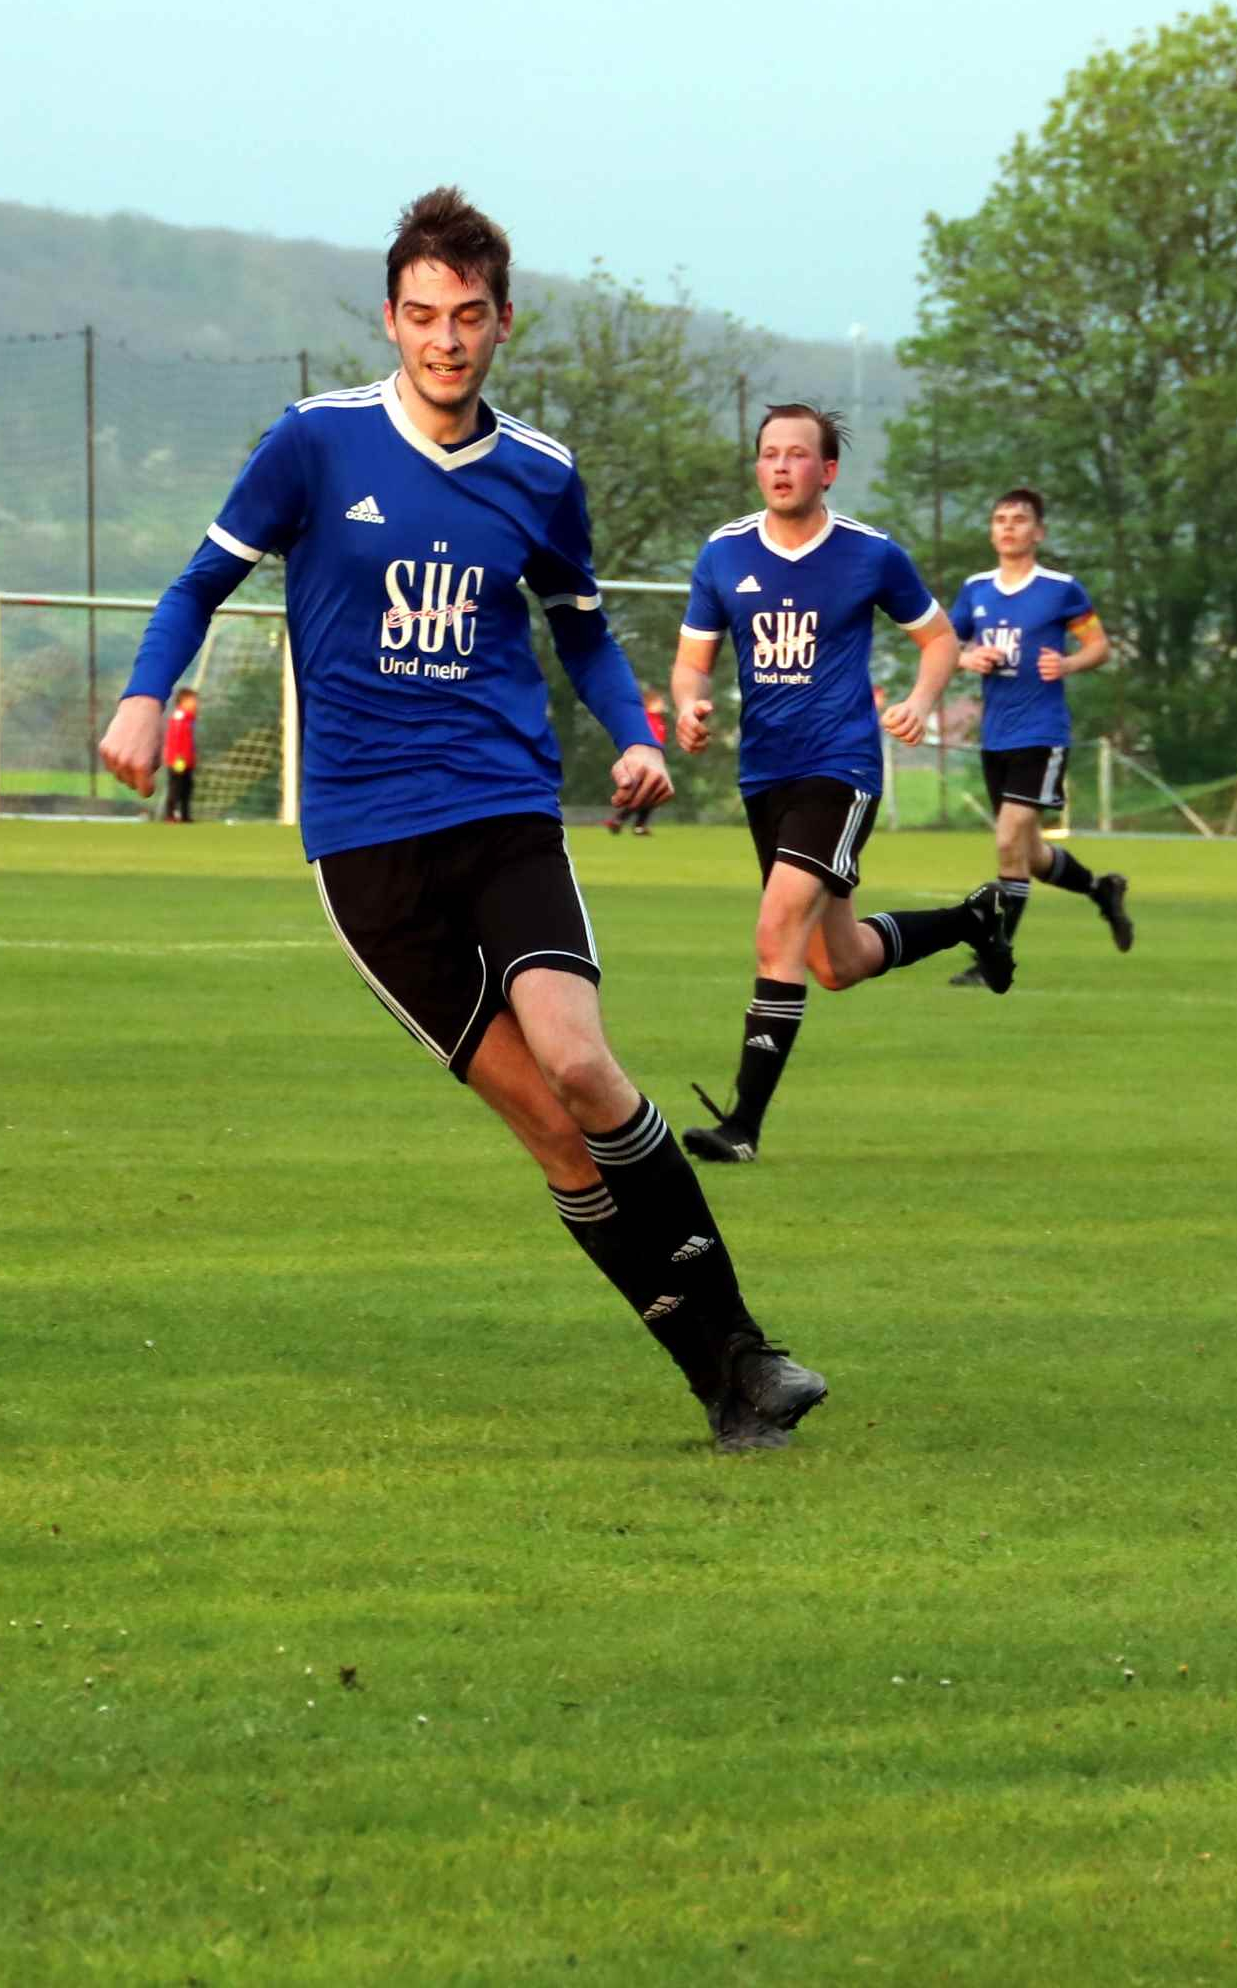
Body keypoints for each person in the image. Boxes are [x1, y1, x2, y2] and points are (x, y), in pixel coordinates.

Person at [96, 187, 823, 1454]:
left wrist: (636, 734)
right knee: (545, 1123)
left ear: (502, 323)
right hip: (363, 842)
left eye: (468, 316)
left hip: (500, 810)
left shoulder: (540, 473)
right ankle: (719, 1379)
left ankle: (751, 1351)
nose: (445, 339)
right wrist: (143, 694)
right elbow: (198, 582)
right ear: (390, 318)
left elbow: (581, 629)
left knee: (581, 1064)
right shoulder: (314, 443)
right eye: (423, 315)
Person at [666, 403, 1013, 1165]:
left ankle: (742, 1126)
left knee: (776, 930)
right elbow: (693, 661)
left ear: (827, 471)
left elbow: (940, 640)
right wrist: (690, 704)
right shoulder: (724, 552)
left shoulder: (870, 553)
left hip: (840, 768)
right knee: (837, 962)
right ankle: (971, 919)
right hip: (765, 774)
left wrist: (920, 701)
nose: (780, 465)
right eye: (769, 453)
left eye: (796, 454)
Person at [944, 487, 1130, 986]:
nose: (1008, 527)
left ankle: (993, 961)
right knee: (1029, 853)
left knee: (1008, 839)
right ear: (992, 532)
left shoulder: (1060, 589)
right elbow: (946, 646)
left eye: (1020, 519)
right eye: (1000, 519)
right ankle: (1102, 890)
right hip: (995, 737)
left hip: (1042, 734)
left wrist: (1068, 663)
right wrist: (967, 658)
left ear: (1039, 532)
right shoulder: (975, 590)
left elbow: (1099, 647)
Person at [608, 687, 670, 835]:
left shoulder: (659, 720)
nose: (662, 704)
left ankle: (632, 824)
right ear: (649, 703)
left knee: (650, 793)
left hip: (655, 761)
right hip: (643, 760)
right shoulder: (645, 719)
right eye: (659, 701)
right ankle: (622, 821)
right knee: (643, 793)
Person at [164, 686, 199, 823]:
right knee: (176, 786)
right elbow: (176, 740)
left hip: (187, 760)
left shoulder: (190, 719)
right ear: (183, 701)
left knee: (187, 787)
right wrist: (179, 760)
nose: (196, 704)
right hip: (178, 761)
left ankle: (185, 815)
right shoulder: (179, 717)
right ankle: (170, 815)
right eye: (192, 700)